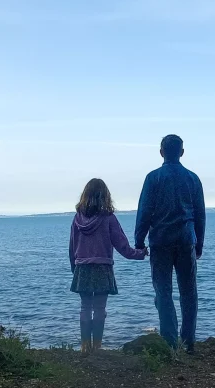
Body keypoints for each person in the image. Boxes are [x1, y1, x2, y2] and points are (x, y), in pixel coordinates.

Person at [135, 135, 206, 353]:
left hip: (161, 240)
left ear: (161, 152)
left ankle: (170, 341)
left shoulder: (153, 178)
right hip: (186, 240)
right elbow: (200, 215)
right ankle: (188, 342)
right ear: (182, 152)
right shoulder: (193, 178)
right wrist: (199, 244)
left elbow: (145, 211)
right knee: (189, 293)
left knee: (163, 292)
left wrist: (139, 240)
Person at [69, 178, 147, 354]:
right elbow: (123, 247)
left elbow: (72, 247)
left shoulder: (77, 218)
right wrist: (141, 253)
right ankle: (97, 346)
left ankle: (84, 346)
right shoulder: (108, 219)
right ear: (105, 196)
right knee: (99, 309)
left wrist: (75, 268)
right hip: (102, 267)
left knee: (85, 307)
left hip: (82, 268)